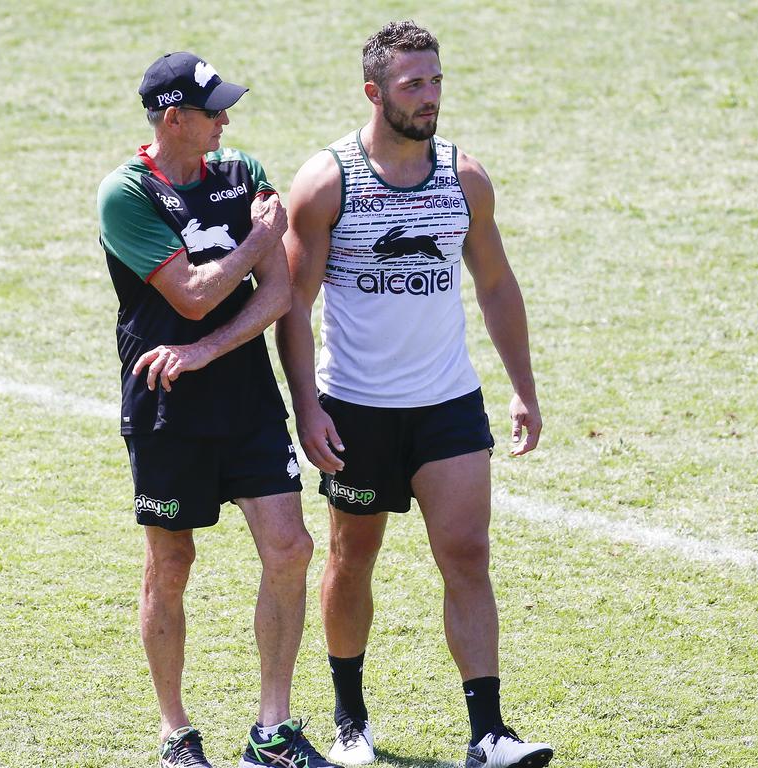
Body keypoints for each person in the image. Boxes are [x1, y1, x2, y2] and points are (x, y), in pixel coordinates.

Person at [276, 22, 554, 768]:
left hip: (448, 405)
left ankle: (488, 734)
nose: (429, 98)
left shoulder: (464, 177)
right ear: (375, 92)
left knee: (467, 553)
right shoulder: (327, 182)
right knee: (352, 555)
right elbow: (293, 308)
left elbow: (495, 284)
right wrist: (308, 406)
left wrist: (522, 389)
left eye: (435, 82)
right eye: (412, 85)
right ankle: (349, 721)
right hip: (356, 408)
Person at [97, 51, 337, 768]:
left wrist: (212, 352)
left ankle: (273, 730)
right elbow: (194, 294)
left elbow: (281, 293)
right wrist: (260, 241)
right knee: (172, 562)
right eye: (213, 111)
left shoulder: (243, 173)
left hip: (246, 400)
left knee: (291, 548)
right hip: (165, 407)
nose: (226, 121)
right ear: (175, 118)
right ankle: (176, 732)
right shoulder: (126, 194)